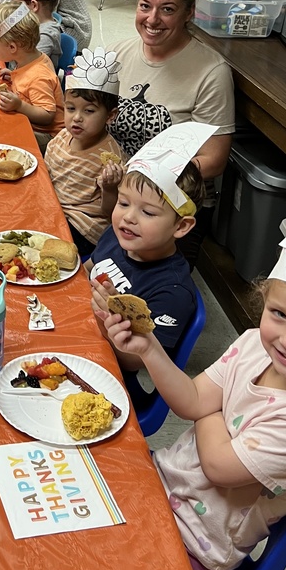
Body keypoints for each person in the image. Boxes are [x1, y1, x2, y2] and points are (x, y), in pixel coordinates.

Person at [100, 221, 286, 570]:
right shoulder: (254, 344)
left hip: (196, 543)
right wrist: (148, 347)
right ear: (263, 300)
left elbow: (217, 467)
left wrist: (214, 408)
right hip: (160, 482)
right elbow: (191, 401)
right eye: (279, 314)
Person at [110, 0, 235, 267]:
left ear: (188, 13)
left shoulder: (210, 71)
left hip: (171, 207)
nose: (152, 20)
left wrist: (147, 179)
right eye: (145, 6)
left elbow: (214, 160)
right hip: (119, 194)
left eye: (167, 10)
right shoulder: (120, 52)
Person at [86, 124, 211, 379]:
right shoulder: (118, 237)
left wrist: (109, 317)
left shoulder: (173, 292)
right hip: (80, 330)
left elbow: (133, 362)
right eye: (123, 203)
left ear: (181, 226)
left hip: (107, 371)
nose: (128, 217)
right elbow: (88, 268)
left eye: (148, 212)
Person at [44, 48, 127, 255]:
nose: (77, 118)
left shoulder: (110, 160)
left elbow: (110, 213)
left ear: (110, 115)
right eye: (71, 108)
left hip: (82, 227)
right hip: (54, 208)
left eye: (89, 111)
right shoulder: (62, 137)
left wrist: (110, 188)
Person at [0, 0, 65, 148]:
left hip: (47, 138)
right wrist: (15, 74)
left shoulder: (38, 76)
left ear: (12, 47)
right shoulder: (31, 59)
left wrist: (19, 105)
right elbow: (27, 82)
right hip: (32, 125)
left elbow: (47, 115)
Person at [11, 0, 62, 71]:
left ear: (34, 5)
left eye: (18, 6)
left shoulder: (44, 36)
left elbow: (29, 69)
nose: (14, 12)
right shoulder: (32, 26)